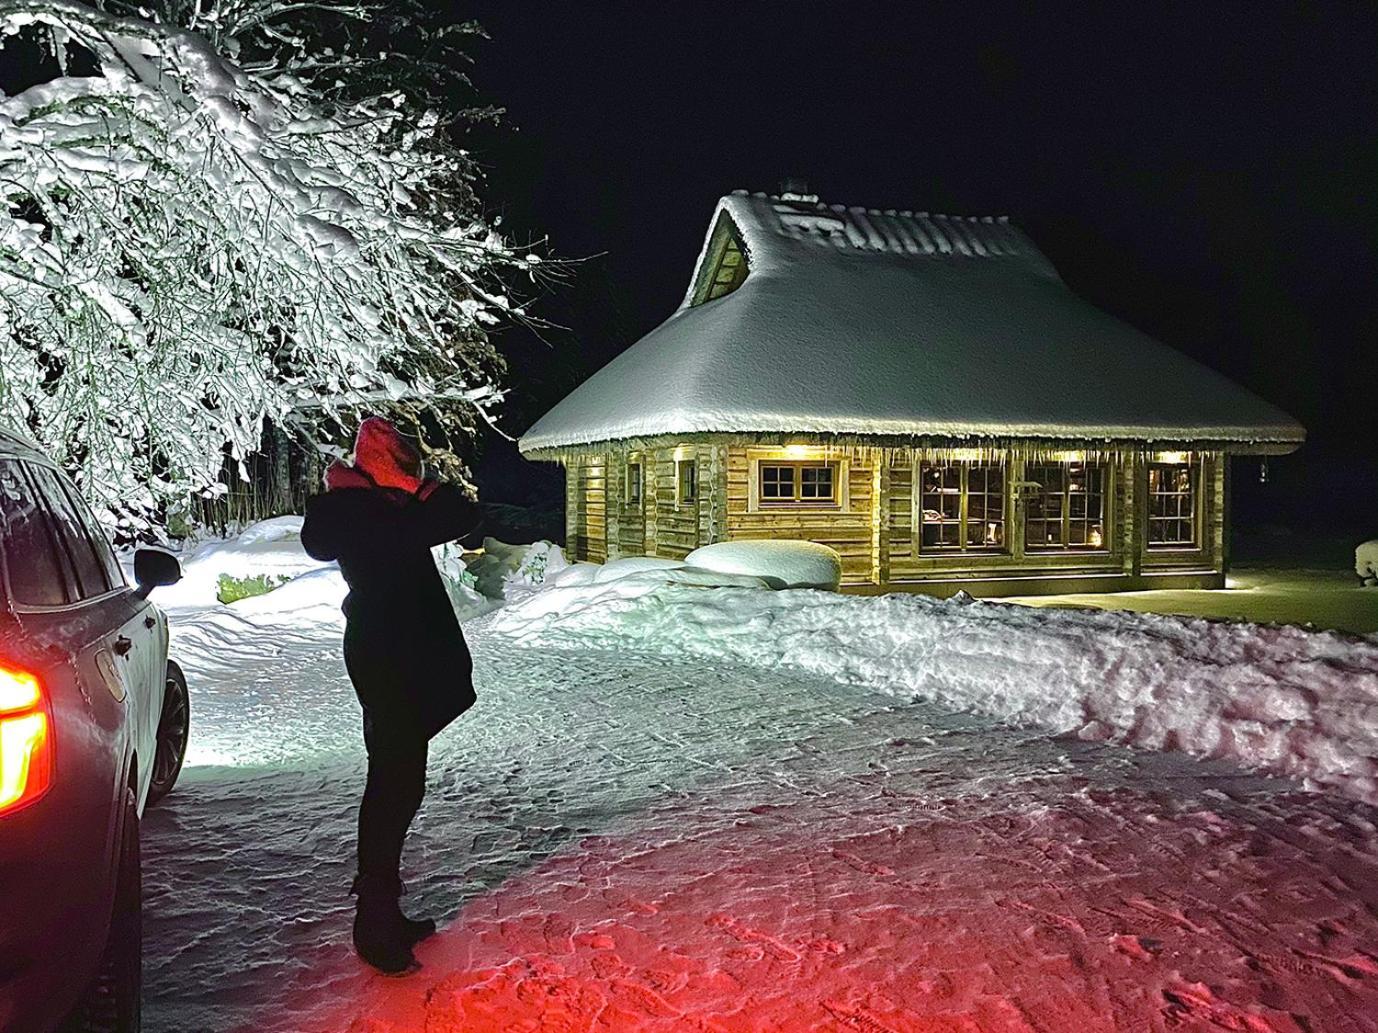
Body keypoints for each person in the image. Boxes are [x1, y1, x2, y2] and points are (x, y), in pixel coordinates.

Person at [301, 417, 481, 974]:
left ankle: (384, 911)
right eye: (407, 469)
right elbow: (460, 514)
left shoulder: (363, 509)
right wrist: (412, 487)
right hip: (391, 657)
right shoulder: (366, 513)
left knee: (399, 778)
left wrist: (400, 486)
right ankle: (374, 923)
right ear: (387, 474)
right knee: (393, 783)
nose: (416, 478)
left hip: (392, 652)